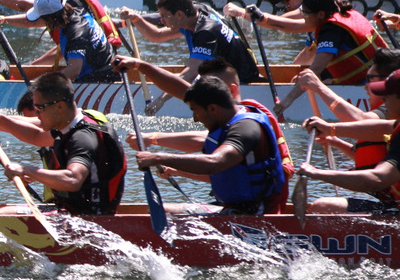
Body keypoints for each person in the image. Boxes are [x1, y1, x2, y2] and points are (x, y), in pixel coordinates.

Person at [114, 57, 294, 211]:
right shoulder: (222, 111)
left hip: (254, 215)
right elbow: (180, 89)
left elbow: (215, 163)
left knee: (163, 212)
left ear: (214, 106)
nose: (195, 118)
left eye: (196, 111)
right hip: (233, 208)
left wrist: (158, 157)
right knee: (159, 209)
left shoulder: (246, 127)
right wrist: (140, 65)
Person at [0, 71, 126, 215]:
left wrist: (27, 169)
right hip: (71, 211)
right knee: (3, 213)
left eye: (40, 109)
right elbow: (35, 135)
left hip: (88, 218)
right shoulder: (68, 126)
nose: (36, 115)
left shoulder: (82, 136)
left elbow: (73, 179)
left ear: (60, 106)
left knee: (1, 216)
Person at [297, 50, 400, 212]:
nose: (384, 98)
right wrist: (332, 133)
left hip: (392, 205)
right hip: (388, 199)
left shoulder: (385, 113)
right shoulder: (395, 124)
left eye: (370, 79)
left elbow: (378, 178)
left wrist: (316, 172)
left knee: (322, 207)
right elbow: (381, 133)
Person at [264, 0, 388, 117]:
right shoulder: (342, 13)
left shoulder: (331, 31)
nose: (303, 16)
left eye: (305, 13)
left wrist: (287, 100)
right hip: (372, 78)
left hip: (369, 86)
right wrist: (261, 18)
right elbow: (292, 26)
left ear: (321, 14)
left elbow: (315, 70)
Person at [120, 0, 260, 103]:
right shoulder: (196, 14)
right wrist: (135, 18)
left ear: (179, 14)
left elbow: (191, 73)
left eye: (164, 16)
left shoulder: (205, 32)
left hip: (241, 82)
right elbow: (157, 35)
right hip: (228, 73)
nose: (161, 21)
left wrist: (160, 101)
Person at [0, 0, 117, 82]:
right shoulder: (71, 9)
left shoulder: (76, 32)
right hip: (103, 72)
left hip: (99, 80)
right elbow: (34, 20)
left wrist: (39, 83)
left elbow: (73, 71)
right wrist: (3, 19)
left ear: (51, 19)